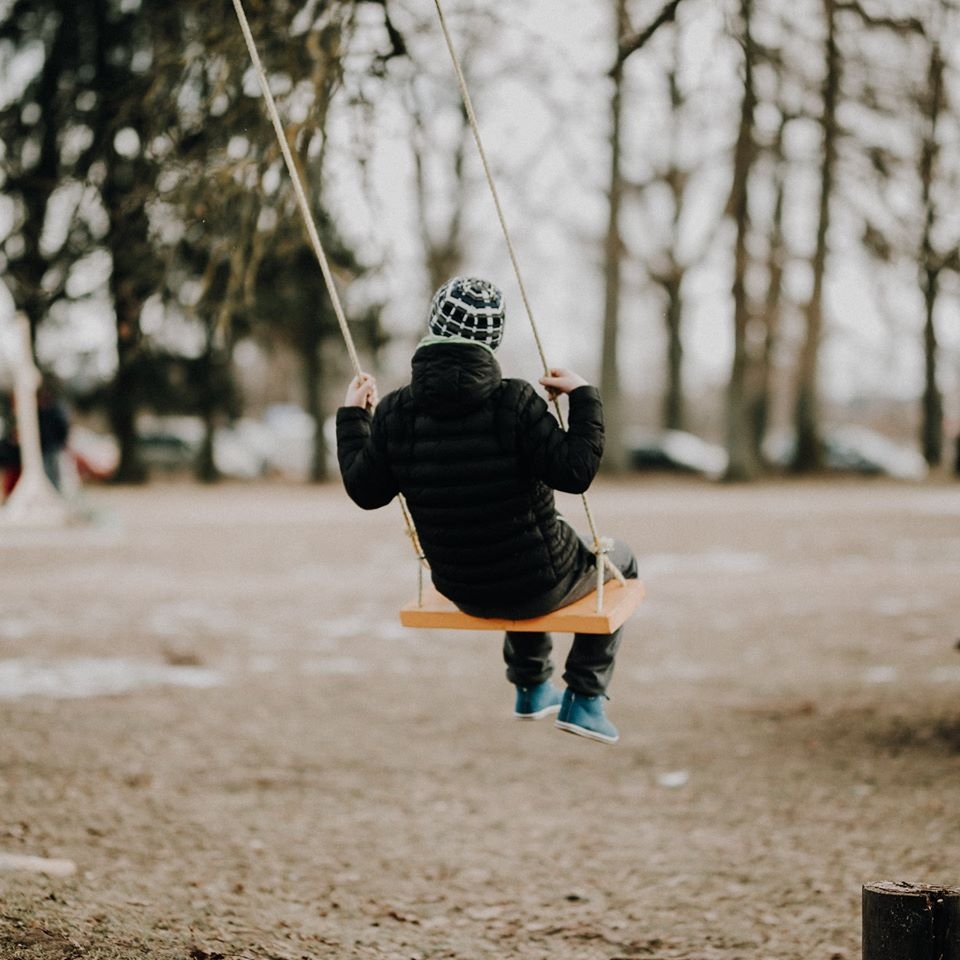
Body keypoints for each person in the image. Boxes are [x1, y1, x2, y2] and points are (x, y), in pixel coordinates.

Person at [336, 276, 637, 744]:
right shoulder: (515, 403)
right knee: (618, 562)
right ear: (491, 341)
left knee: (532, 549)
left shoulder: (397, 411)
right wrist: (583, 398)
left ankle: (532, 685)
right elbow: (575, 473)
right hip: (536, 582)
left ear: (433, 325)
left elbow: (365, 491)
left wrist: (354, 417)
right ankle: (585, 699)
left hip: (461, 586)